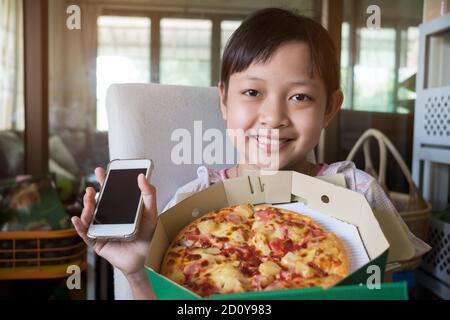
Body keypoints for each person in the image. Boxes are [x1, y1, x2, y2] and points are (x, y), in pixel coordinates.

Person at [72, 8, 427, 299]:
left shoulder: (357, 191)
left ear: (331, 107)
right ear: (224, 99)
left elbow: (392, 286)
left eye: (300, 96)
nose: (273, 117)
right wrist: (137, 274)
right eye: (253, 92)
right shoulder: (192, 201)